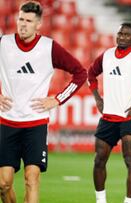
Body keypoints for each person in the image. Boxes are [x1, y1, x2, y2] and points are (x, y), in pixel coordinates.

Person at [0, 1, 87, 203]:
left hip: (36, 124)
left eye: (29, 21)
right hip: (7, 122)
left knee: (32, 179)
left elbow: (80, 73)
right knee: (4, 184)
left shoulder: (49, 48)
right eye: (21, 19)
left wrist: (57, 99)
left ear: (38, 24)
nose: (23, 24)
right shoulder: (3, 44)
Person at [88, 22, 131, 203]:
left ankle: (128, 201)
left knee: (130, 162)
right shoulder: (106, 56)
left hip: (129, 118)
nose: (122, 37)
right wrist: (98, 99)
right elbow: (90, 74)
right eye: (120, 34)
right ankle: (101, 200)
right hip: (108, 117)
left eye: (126, 35)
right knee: (99, 161)